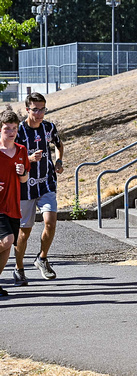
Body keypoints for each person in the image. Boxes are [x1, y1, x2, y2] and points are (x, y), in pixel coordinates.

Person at [14, 92, 64, 285]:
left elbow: (59, 144)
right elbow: (10, 157)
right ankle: (19, 269)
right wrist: (28, 159)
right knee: (24, 232)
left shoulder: (49, 127)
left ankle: (42, 258)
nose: (39, 113)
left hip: (46, 183)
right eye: (35, 109)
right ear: (27, 109)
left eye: (42, 108)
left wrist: (59, 160)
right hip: (25, 187)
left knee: (51, 223)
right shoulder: (18, 131)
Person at [0, 110, 30, 296]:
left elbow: (25, 180)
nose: (11, 132)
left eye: (14, 128)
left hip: (13, 205)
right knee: (8, 239)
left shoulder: (21, 150)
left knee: (7, 246)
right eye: (6, 129)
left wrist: (22, 173)